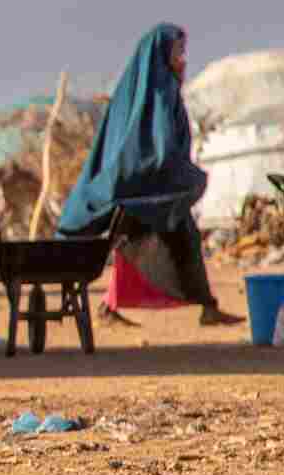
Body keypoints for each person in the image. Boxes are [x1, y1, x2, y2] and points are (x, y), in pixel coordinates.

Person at [57, 23, 242, 327]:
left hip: (134, 185)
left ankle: (204, 306)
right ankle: (203, 306)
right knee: (158, 240)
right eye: (178, 51)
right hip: (143, 186)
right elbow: (157, 144)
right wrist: (183, 174)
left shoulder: (138, 87)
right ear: (161, 52)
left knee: (154, 240)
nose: (183, 58)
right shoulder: (159, 88)